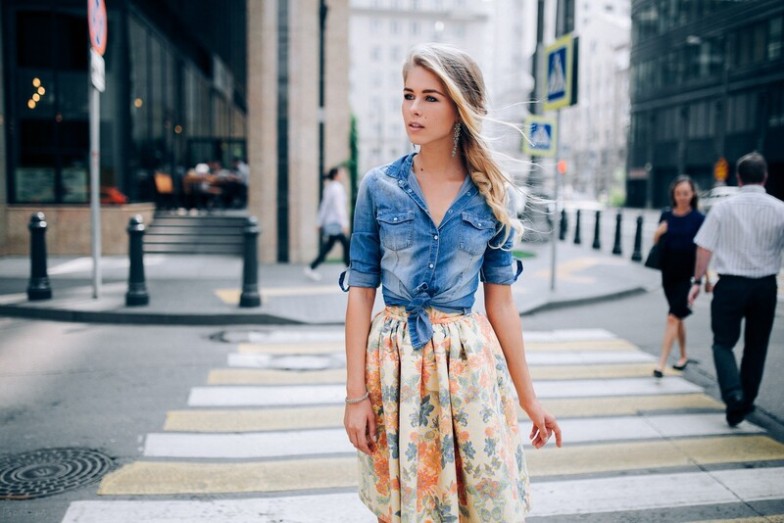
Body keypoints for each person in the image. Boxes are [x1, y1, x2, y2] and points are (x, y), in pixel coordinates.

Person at [341, 43, 562, 522]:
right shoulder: (379, 186)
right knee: (399, 508)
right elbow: (361, 294)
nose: (414, 109)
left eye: (430, 97)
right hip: (394, 366)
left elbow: (501, 305)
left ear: (460, 106)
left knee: (476, 506)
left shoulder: (491, 193)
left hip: (467, 366)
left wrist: (530, 399)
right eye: (408, 95)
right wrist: (355, 396)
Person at [689, 152, 784, 427]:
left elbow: (704, 247)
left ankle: (733, 394)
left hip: (729, 285)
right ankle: (745, 402)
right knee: (757, 347)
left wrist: (697, 282)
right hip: (765, 287)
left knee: (723, 342)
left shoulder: (723, 208)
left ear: (738, 178)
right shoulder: (779, 209)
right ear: (765, 177)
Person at [651, 175, 706, 378]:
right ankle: (683, 355)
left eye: (686, 193)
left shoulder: (699, 219)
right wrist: (659, 231)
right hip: (669, 274)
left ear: (692, 194)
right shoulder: (666, 215)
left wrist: (705, 279)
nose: (682, 197)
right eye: (678, 193)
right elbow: (656, 242)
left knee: (673, 317)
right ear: (673, 195)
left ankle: (661, 364)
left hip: (687, 276)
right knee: (678, 316)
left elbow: (703, 249)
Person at [304, 166, 350, 281]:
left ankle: (311, 267)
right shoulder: (337, 188)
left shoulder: (329, 188)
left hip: (331, 223)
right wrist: (344, 223)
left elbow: (324, 207)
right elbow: (339, 208)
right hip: (336, 223)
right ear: (336, 175)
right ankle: (349, 268)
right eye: (341, 173)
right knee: (345, 244)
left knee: (331, 246)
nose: (343, 175)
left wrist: (319, 222)